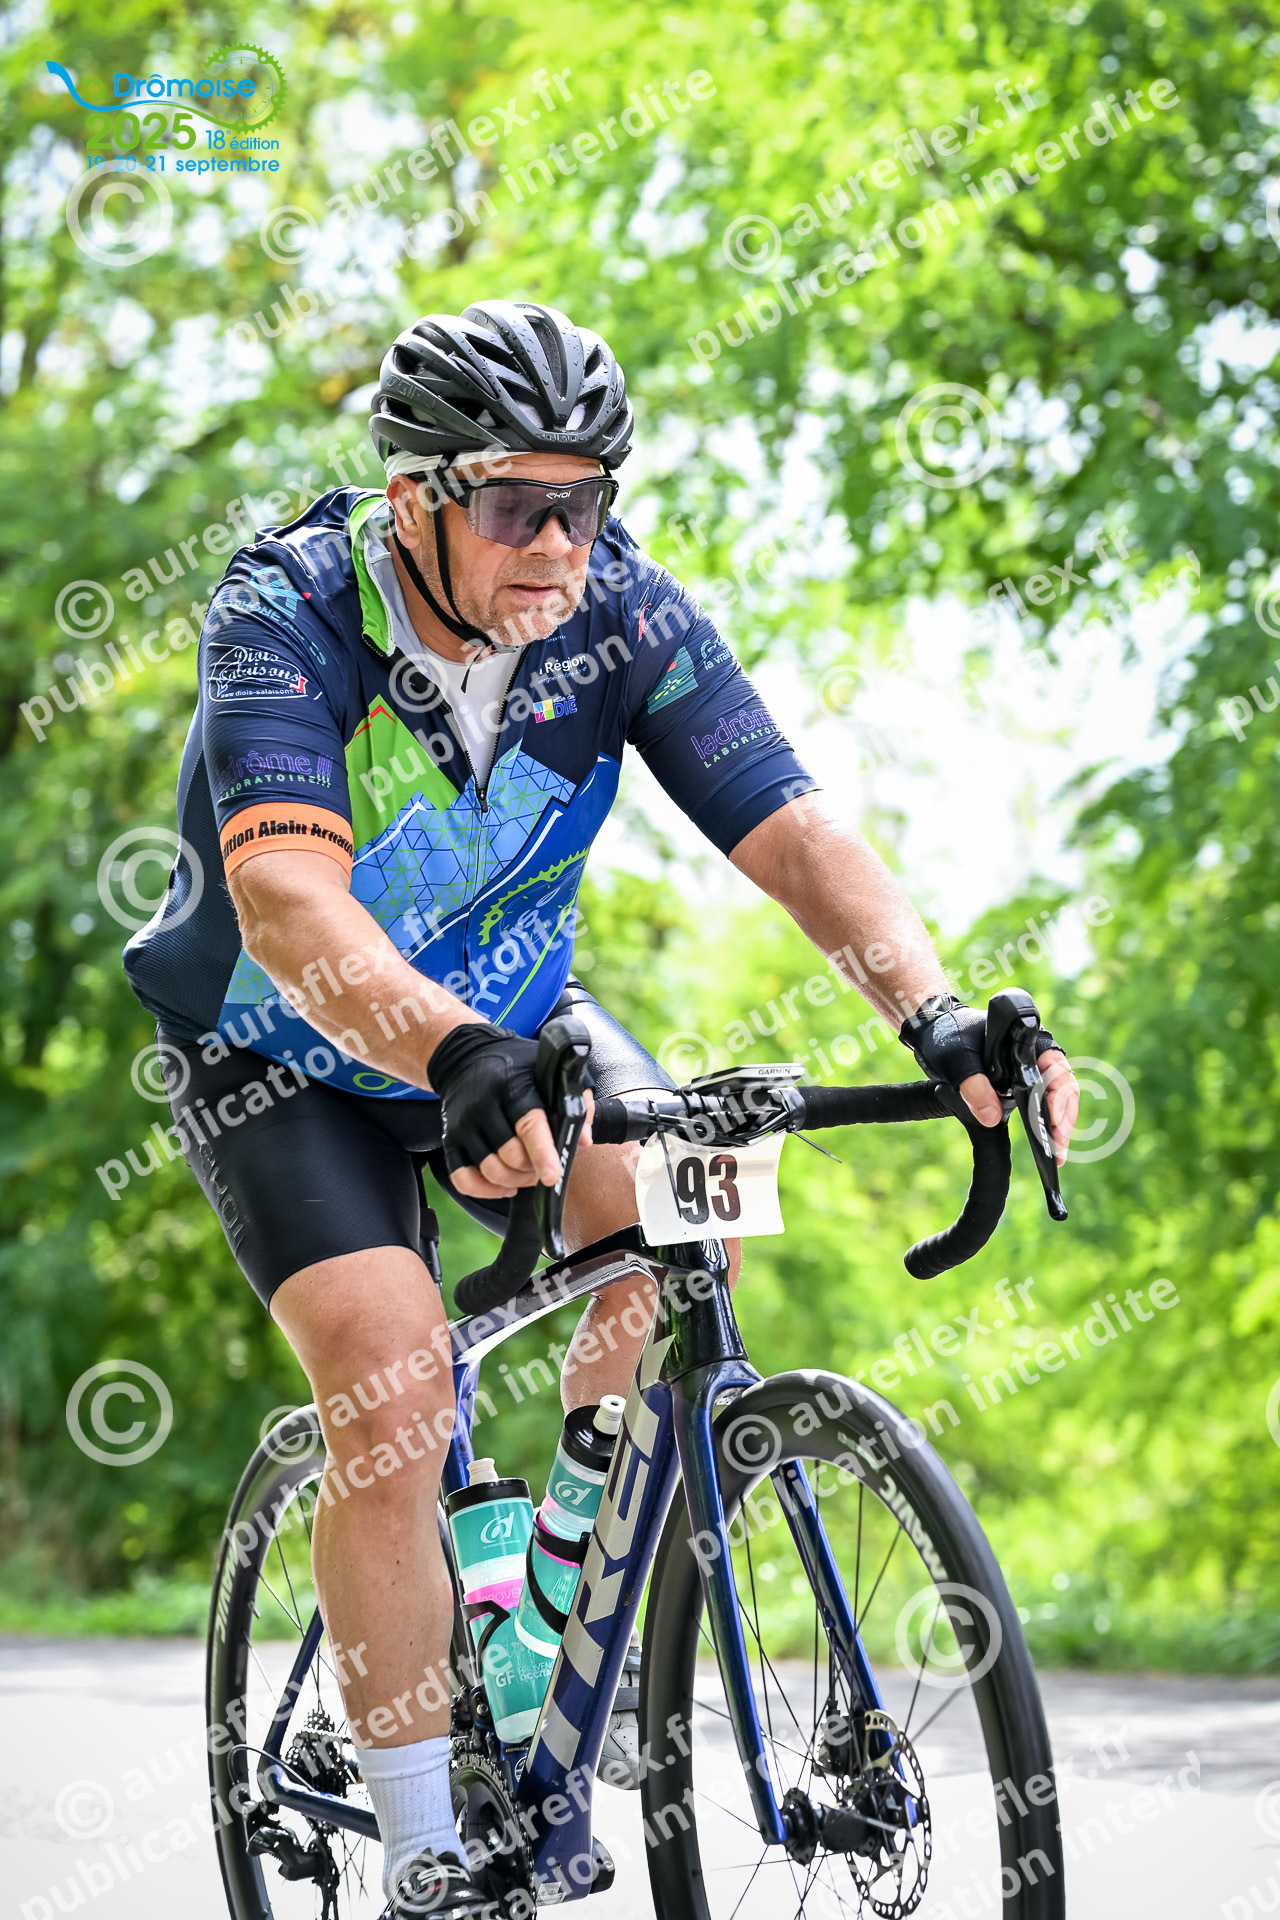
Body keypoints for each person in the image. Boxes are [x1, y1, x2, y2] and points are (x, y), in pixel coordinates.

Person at [123, 298, 1079, 1917]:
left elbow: (793, 830)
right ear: (418, 498)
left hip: (509, 1024)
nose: (560, 545)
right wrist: (440, 1052)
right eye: (519, 507)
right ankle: (426, 1845)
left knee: (682, 1210)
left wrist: (931, 1013)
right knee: (391, 1381)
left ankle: (560, 1591)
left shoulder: (617, 611)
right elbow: (285, 902)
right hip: (281, 1045)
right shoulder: (287, 609)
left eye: (588, 504)